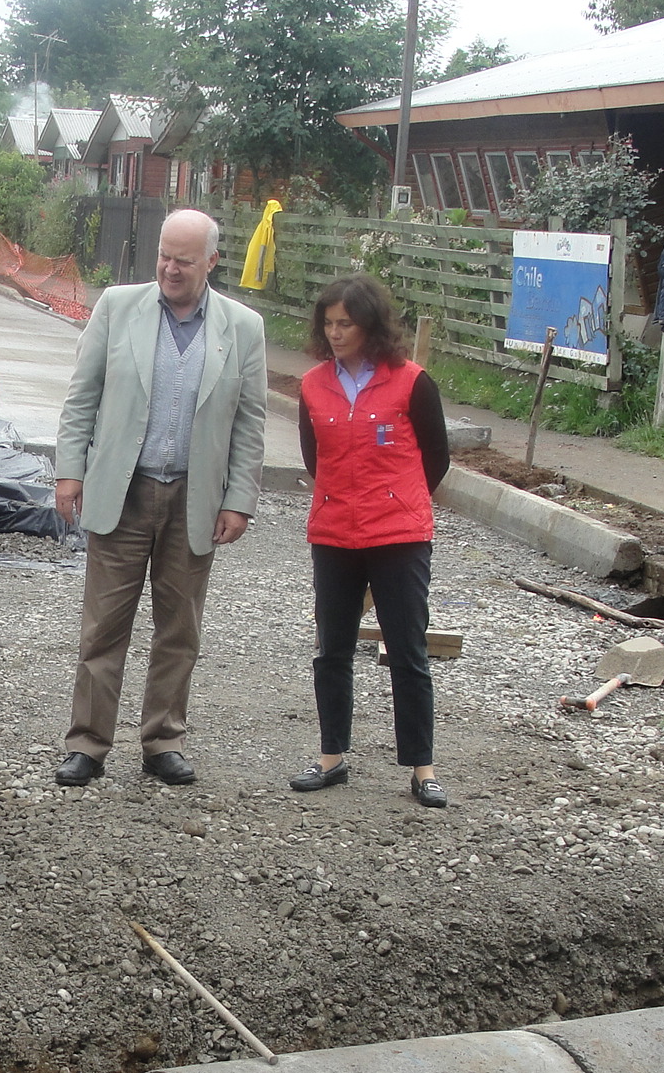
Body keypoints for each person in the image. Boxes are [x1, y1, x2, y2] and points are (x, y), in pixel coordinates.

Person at [51, 208, 267, 788]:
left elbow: (250, 423)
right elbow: (82, 396)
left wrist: (239, 498)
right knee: (103, 626)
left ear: (211, 262)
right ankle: (87, 743)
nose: (170, 269)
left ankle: (163, 740)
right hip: (122, 492)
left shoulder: (243, 328)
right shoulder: (117, 307)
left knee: (179, 629)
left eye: (184, 261)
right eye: (164, 256)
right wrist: (70, 472)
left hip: (195, 498)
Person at [290, 274, 451, 807]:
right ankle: (331, 756)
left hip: (399, 535)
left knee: (408, 650)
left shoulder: (412, 382)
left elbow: (436, 457)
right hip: (334, 532)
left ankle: (422, 768)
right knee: (332, 648)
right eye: (328, 324)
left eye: (346, 324)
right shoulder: (312, 385)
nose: (335, 334)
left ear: (371, 327)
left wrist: (398, 500)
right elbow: (314, 457)